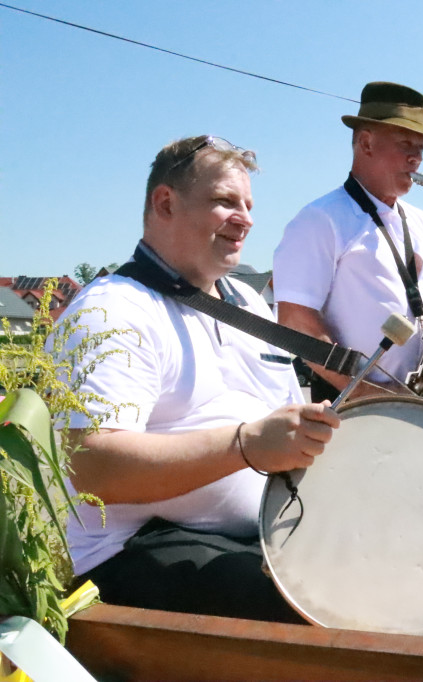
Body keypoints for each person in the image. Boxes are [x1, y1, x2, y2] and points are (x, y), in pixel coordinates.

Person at [53, 136, 342, 623]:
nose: (245, 218)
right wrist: (246, 445)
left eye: (248, 205)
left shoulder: (248, 305)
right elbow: (90, 468)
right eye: (225, 201)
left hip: (250, 537)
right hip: (124, 555)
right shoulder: (113, 310)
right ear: (165, 203)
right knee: (326, 606)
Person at [273, 82, 423, 403]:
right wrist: (370, 393)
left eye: (422, 148)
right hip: (350, 407)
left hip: (416, 400)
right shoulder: (320, 219)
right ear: (367, 143)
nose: (417, 159)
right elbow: (294, 323)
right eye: (405, 144)